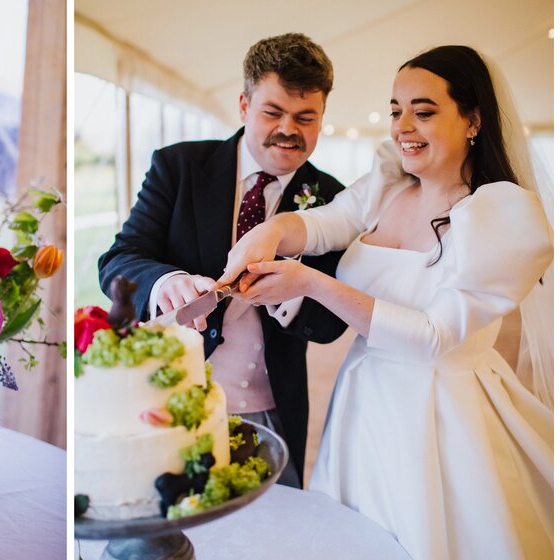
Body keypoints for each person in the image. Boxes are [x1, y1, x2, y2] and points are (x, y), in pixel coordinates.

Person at [218, 45, 552, 559]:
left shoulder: (501, 216)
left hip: (440, 417)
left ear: (473, 120)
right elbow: (326, 221)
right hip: (362, 401)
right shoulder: (390, 184)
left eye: (424, 111)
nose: (403, 127)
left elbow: (435, 337)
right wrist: (271, 231)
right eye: (396, 111)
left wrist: (309, 283)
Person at [98, 33, 349, 488]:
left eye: (305, 117)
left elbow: (332, 324)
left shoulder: (334, 199)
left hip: (271, 411)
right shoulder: (179, 167)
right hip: (168, 400)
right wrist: (164, 281)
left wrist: (290, 294)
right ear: (243, 105)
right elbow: (119, 259)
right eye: (273, 112)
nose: (288, 129)